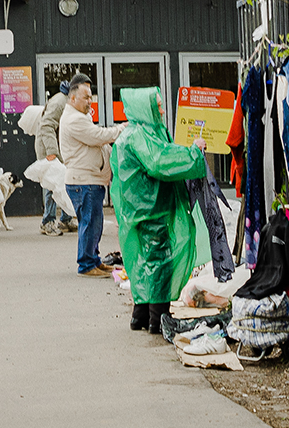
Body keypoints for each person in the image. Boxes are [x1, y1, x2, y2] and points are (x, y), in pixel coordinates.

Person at [108, 87, 206, 329]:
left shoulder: (130, 134)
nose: (161, 109)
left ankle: (139, 314)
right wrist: (194, 152)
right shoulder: (142, 136)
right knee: (160, 262)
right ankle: (158, 318)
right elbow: (161, 161)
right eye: (158, 105)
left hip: (134, 211)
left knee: (142, 261)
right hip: (154, 208)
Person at [57, 82, 122, 278]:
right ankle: (86, 265)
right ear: (73, 98)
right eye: (86, 97)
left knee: (94, 223)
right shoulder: (73, 119)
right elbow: (98, 136)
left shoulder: (79, 117)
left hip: (90, 179)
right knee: (89, 223)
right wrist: (122, 129)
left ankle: (94, 260)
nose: (89, 101)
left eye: (91, 96)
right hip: (84, 180)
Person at [37, 82, 73, 234]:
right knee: (52, 184)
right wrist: (51, 152)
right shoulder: (60, 102)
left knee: (65, 183)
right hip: (50, 149)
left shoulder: (65, 101)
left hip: (59, 148)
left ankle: (65, 219)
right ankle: (47, 221)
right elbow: (46, 125)